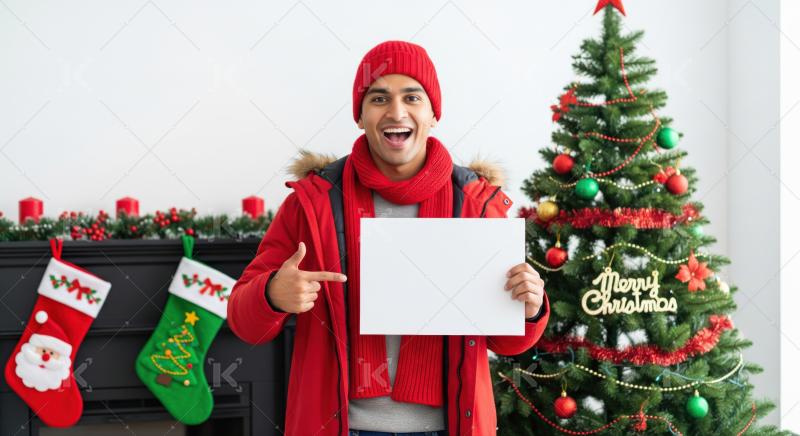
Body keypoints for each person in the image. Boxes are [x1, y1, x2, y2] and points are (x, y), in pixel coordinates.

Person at [228, 40, 550, 436]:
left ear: (433, 114)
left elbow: (508, 343)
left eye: (411, 97)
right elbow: (245, 324)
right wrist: (272, 294)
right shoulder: (311, 204)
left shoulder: (478, 204)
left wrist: (531, 308)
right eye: (379, 98)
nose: (396, 112)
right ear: (360, 116)